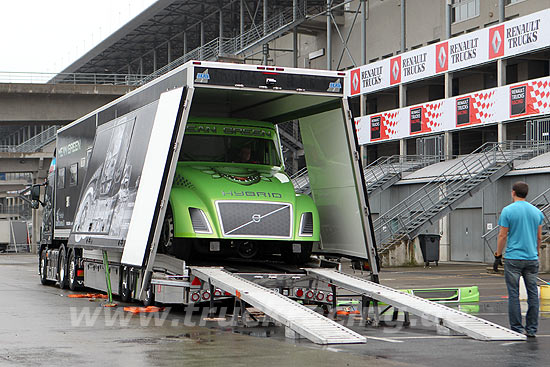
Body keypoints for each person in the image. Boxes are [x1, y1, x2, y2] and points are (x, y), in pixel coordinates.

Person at [495, 181, 544, 337]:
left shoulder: (507, 211)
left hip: (513, 258)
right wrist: (535, 253)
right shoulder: (537, 212)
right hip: (531, 258)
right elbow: (538, 237)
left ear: (513, 192)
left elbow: (503, 235)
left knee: (514, 294)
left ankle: (516, 328)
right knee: (533, 294)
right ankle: (532, 329)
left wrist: (498, 254)